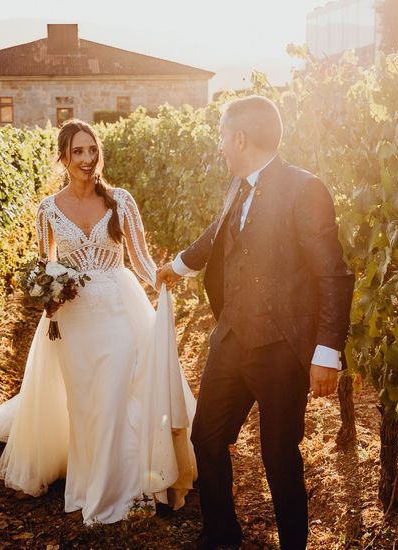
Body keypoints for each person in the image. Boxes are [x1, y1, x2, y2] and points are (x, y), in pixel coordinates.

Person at [0, 119, 196, 525]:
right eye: (78, 152)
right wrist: (46, 296)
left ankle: (126, 489)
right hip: (73, 318)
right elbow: (44, 263)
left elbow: (140, 259)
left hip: (118, 309)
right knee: (86, 404)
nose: (87, 159)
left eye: (92, 150)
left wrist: (162, 277)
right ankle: (91, 480)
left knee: (117, 394)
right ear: (64, 158)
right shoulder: (48, 209)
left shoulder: (121, 201)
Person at [156, 96, 355, 549]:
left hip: (281, 346)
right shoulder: (238, 185)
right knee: (206, 437)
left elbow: (334, 274)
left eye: (223, 137)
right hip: (231, 337)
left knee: (278, 456)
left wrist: (327, 352)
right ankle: (222, 534)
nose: (220, 147)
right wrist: (179, 266)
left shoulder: (305, 189)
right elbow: (218, 231)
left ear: (240, 138)